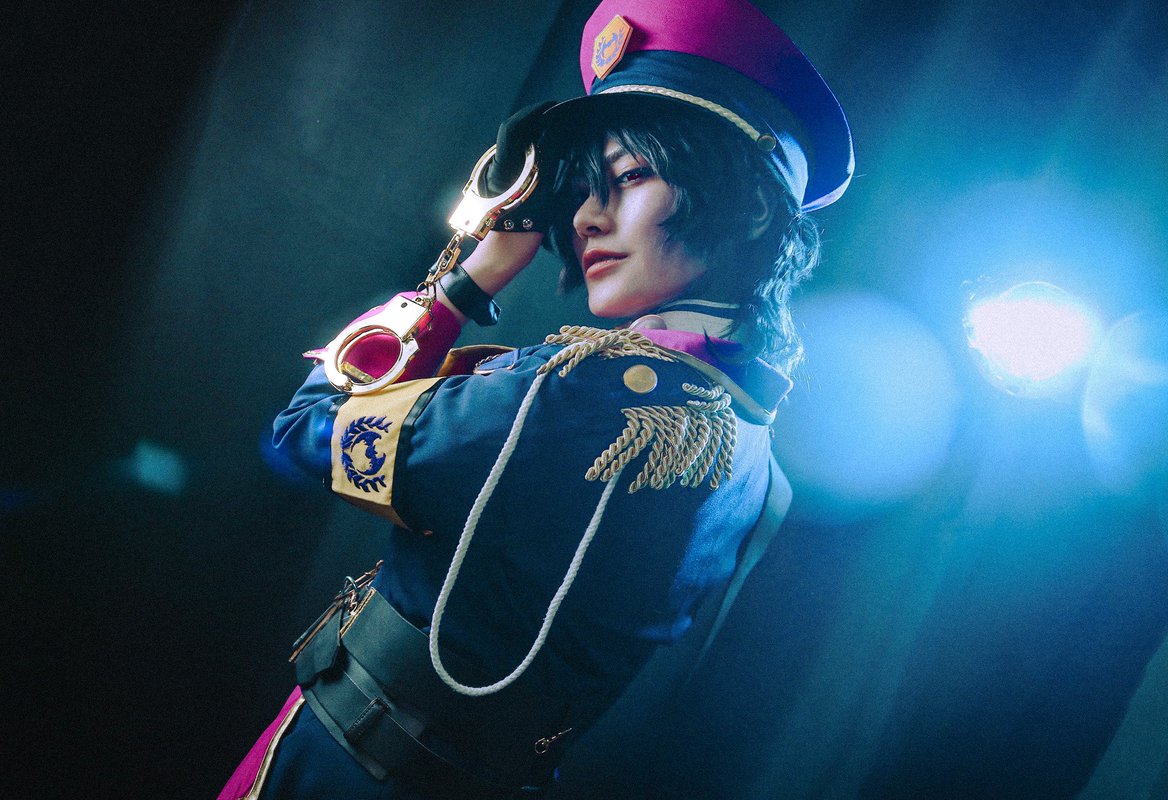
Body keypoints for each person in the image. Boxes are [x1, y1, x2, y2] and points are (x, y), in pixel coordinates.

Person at [218, 0, 852, 797]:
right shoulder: (757, 461)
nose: (586, 216)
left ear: (753, 207)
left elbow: (299, 432)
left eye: (631, 177)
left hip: (341, 770)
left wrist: (470, 277)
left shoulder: (572, 397)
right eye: (585, 188)